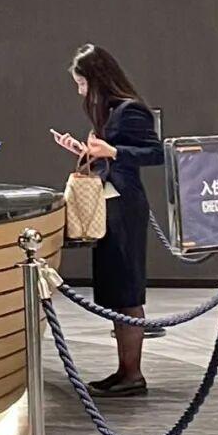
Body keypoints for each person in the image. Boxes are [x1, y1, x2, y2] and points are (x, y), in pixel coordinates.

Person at [51, 44, 163, 397]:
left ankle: (132, 374)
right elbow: (110, 159)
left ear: (97, 79)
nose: (81, 91)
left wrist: (111, 151)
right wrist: (84, 151)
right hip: (110, 206)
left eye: (82, 83)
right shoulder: (111, 112)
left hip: (124, 208)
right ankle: (124, 371)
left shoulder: (130, 110)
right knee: (116, 291)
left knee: (126, 291)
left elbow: (157, 152)